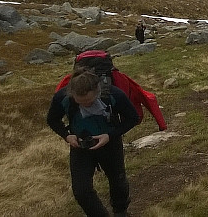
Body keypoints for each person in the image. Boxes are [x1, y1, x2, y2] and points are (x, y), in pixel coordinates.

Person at [47, 68, 140, 217]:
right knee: (81, 191)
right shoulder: (62, 97)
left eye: (90, 101)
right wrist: (67, 136)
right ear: (72, 94)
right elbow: (52, 119)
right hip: (80, 146)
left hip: (110, 144)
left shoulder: (113, 94)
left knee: (118, 181)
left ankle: (121, 211)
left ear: (97, 91)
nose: (86, 105)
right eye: (80, 102)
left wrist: (110, 135)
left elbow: (133, 118)